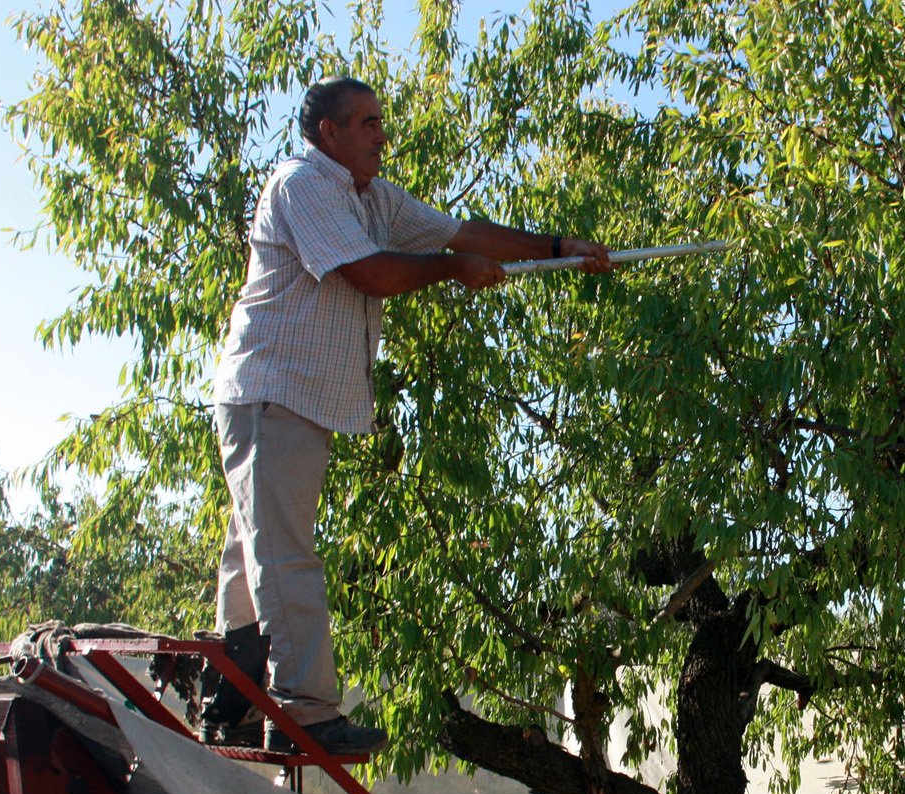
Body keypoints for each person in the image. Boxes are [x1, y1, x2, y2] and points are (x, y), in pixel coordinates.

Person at [204, 76, 611, 755]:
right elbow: (367, 273)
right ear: (327, 132)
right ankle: (304, 710)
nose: (380, 135)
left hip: (291, 400)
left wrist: (557, 247)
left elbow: (460, 230)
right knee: (282, 557)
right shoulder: (303, 183)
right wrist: (453, 269)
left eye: (378, 122)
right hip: (272, 393)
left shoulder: (373, 198)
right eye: (364, 123)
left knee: (253, 551)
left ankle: (230, 699)